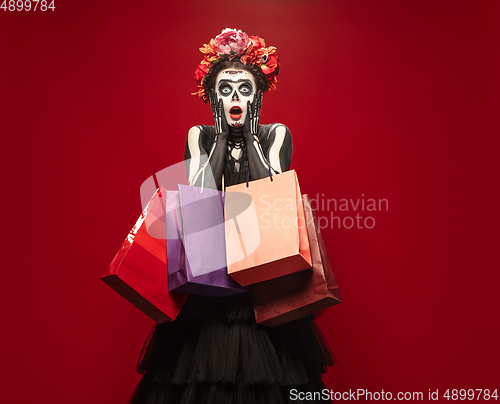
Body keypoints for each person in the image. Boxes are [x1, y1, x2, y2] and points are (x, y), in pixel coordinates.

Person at [129, 28, 334, 404]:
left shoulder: (276, 134)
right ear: (211, 98)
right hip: (210, 280)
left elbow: (269, 193)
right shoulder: (200, 136)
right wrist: (223, 138)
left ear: (258, 96)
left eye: (244, 89)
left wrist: (250, 135)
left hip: (262, 277)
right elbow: (200, 199)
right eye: (225, 90)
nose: (235, 97)